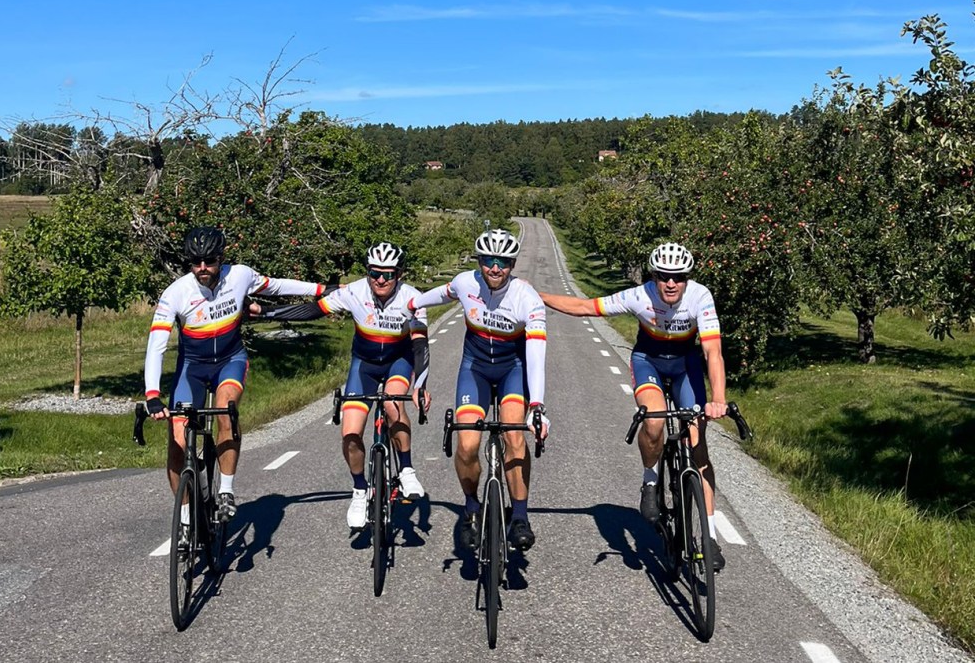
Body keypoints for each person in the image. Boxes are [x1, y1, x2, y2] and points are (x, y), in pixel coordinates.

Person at [539, 242, 729, 571]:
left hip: (686, 366)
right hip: (649, 362)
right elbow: (585, 307)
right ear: (653, 277)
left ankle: (709, 537)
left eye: (679, 277)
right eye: (663, 276)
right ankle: (650, 480)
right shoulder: (639, 296)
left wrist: (718, 399)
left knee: (698, 448)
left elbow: (713, 351)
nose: (671, 283)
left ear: (687, 279)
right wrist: (538, 296)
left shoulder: (701, 297)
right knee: (654, 421)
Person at [143, 226, 329, 533]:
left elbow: (276, 286)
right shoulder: (175, 293)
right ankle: (187, 519)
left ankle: (226, 490)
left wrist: (320, 290)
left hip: (231, 360)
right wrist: (152, 394)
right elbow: (156, 346)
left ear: (221, 258)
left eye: (210, 261)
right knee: (177, 440)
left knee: (225, 410)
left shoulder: (240, 275)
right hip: (191, 367)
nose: (203, 268)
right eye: (196, 262)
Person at [259, 242, 431, 530]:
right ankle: (360, 489)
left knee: (392, 403)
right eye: (374, 273)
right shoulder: (354, 292)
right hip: (363, 365)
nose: (380, 280)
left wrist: (421, 384)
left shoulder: (413, 298)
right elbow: (314, 311)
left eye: (388, 275)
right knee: (350, 433)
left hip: (398, 362)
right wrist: (265, 313)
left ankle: (407, 468)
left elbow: (420, 346)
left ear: (399, 274)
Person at [407, 228, 549, 552]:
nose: (495, 268)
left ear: (512, 264)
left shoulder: (527, 298)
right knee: (468, 444)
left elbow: (536, 354)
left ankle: (521, 516)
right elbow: (439, 295)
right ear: (480, 261)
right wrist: (412, 303)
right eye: (488, 260)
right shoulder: (465, 283)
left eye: (503, 262)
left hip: (513, 370)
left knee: (515, 437)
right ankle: (471, 507)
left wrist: (537, 405)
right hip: (475, 369)